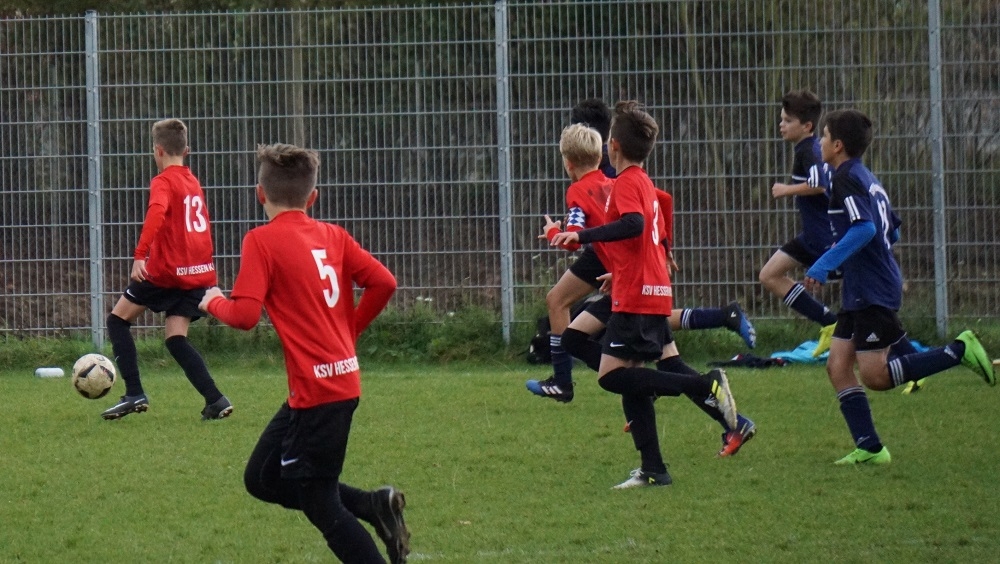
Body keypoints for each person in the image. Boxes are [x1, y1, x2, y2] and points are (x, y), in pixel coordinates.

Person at [199, 144, 409, 562]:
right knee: (261, 478)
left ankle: (371, 515)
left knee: (319, 502)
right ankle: (372, 505)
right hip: (329, 384)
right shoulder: (333, 235)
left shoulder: (261, 241)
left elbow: (244, 316)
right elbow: (384, 282)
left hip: (319, 392)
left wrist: (213, 302)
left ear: (260, 194)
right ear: (313, 197)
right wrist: (348, 332)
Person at [551, 101, 741, 488]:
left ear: (613, 146)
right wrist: (621, 269)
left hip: (637, 294)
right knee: (632, 379)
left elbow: (634, 225)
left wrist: (582, 235)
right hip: (644, 287)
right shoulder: (641, 181)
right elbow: (644, 232)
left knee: (612, 377)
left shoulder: (626, 183)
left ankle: (704, 385)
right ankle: (653, 469)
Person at [803, 109, 996, 465]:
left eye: (824, 137)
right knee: (838, 366)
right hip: (863, 285)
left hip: (871, 288)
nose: (820, 143)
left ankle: (958, 350)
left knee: (875, 376)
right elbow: (892, 230)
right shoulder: (866, 177)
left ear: (838, 145)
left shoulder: (845, 178)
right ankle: (870, 448)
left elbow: (865, 229)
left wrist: (825, 264)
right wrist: (864, 257)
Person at [527, 106, 755, 404]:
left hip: (624, 270)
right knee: (657, 349)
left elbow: (576, 236)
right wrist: (663, 246)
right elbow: (663, 200)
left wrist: (555, 233)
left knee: (632, 356)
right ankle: (722, 403)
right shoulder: (619, 178)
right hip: (630, 266)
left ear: (569, 163)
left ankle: (570, 381)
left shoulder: (588, 188)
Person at [101, 118, 233, 421]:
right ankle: (215, 399)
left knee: (117, 321)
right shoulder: (192, 181)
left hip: (166, 272)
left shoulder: (163, 181)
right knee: (175, 338)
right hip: (196, 273)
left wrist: (140, 255)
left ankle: (134, 393)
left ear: (158, 150)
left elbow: (157, 212)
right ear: (186, 150)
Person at [758, 89, 839, 357]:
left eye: (788, 120)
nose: (781, 124)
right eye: (781, 119)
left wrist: (786, 189)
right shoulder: (807, 149)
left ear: (807, 126)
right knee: (769, 275)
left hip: (826, 239)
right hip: (811, 236)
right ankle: (830, 323)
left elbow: (819, 184)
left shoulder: (809, 151)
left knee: (861, 292)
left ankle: (889, 344)